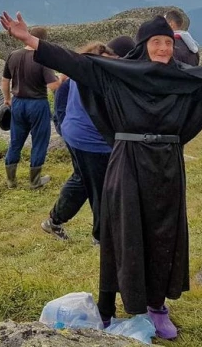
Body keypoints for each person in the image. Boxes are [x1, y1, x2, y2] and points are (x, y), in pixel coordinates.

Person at [0, 12, 202, 340]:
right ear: (144, 45)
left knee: (163, 232)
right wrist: (29, 40)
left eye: (169, 42)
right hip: (128, 161)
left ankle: (156, 306)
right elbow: (75, 63)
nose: (164, 48)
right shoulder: (117, 73)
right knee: (121, 230)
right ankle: (108, 308)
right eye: (157, 42)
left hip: (167, 164)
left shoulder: (182, 77)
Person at [41, 37, 135, 244]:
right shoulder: (103, 71)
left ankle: (53, 221)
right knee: (103, 188)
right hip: (92, 141)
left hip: (75, 134)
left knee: (83, 179)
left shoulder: (87, 63)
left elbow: (62, 93)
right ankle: (101, 238)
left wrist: (63, 123)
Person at [1, 26, 60, 189]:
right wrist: (62, 77)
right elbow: (54, 85)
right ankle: (35, 181)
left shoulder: (13, 55)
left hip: (18, 103)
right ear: (43, 41)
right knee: (39, 141)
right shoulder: (43, 58)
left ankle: (11, 181)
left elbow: (5, 80)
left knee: (15, 141)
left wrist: (7, 99)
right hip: (37, 103)